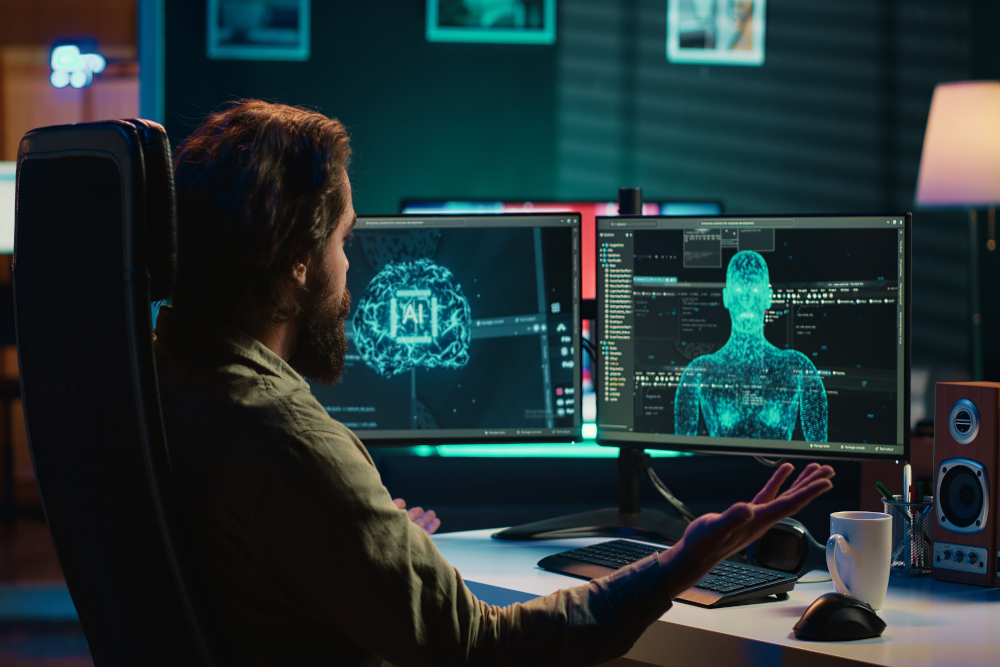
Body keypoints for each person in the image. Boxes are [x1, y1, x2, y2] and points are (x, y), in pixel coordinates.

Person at [155, 100, 835, 666]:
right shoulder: (292, 448)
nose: (351, 273)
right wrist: (683, 562)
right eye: (343, 241)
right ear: (299, 264)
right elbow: (485, 648)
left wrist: (356, 528)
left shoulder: (165, 378)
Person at [675, 250, 828, 442]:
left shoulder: (796, 367)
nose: (746, 300)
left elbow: (820, 453)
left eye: (755, 290)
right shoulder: (699, 372)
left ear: (768, 297)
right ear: (727, 297)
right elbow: (681, 448)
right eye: (739, 290)